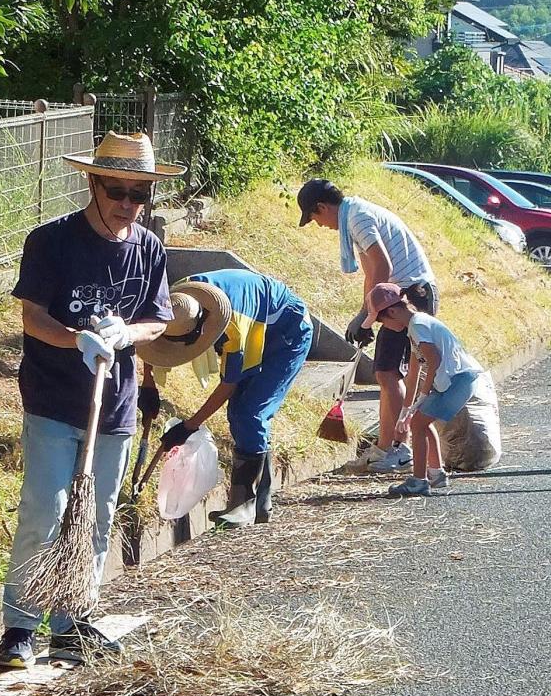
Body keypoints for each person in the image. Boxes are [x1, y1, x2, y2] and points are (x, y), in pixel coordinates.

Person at [0, 131, 185, 669]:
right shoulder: (51, 241)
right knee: (46, 509)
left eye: (139, 194)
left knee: (96, 514)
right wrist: (77, 338)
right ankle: (20, 626)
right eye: (118, 191)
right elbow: (34, 318)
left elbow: (158, 320)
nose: (128, 204)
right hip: (54, 398)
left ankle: (72, 619)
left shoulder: (148, 247)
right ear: (94, 183)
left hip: (115, 404)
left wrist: (128, 334)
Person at [138, 268, 313, 528]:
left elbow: (229, 383)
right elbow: (152, 344)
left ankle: (245, 503)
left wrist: (189, 426)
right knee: (244, 415)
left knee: (248, 413)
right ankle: (261, 502)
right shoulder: (178, 302)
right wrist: (149, 386)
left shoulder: (233, 327)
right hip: (260, 318)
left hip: (288, 332)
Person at [297, 179, 439, 474]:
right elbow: (372, 273)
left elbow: (383, 267)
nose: (319, 225)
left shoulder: (358, 218)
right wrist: (366, 315)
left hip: (412, 296)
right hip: (396, 296)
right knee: (385, 372)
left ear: (322, 208)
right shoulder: (354, 216)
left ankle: (398, 449)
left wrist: (367, 314)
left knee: (394, 374)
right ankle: (385, 449)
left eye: (314, 217)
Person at [361, 283, 484, 497]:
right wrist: (406, 411)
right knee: (418, 420)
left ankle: (419, 481)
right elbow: (414, 371)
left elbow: (433, 359)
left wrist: (424, 395)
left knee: (418, 424)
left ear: (392, 312)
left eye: (381, 321)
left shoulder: (418, 325)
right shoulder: (415, 328)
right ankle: (436, 474)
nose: (384, 326)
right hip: (453, 380)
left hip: (458, 380)